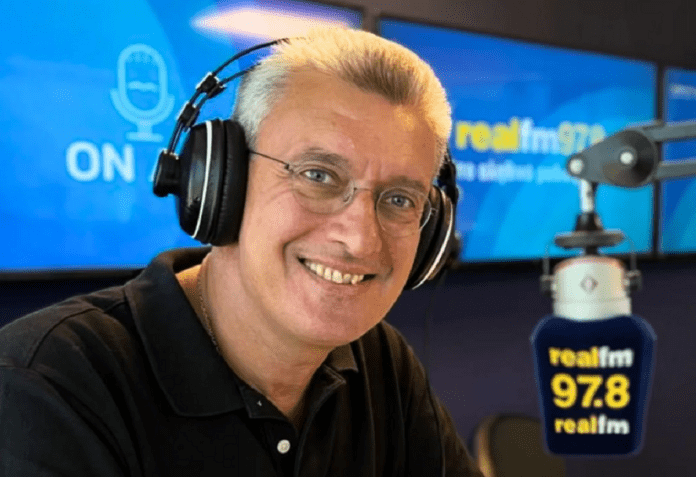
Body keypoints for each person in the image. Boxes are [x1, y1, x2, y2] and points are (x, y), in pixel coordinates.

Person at [0, 27, 483, 476]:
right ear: (219, 183)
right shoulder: (48, 385)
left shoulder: (380, 361)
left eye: (399, 200)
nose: (359, 240)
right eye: (318, 175)